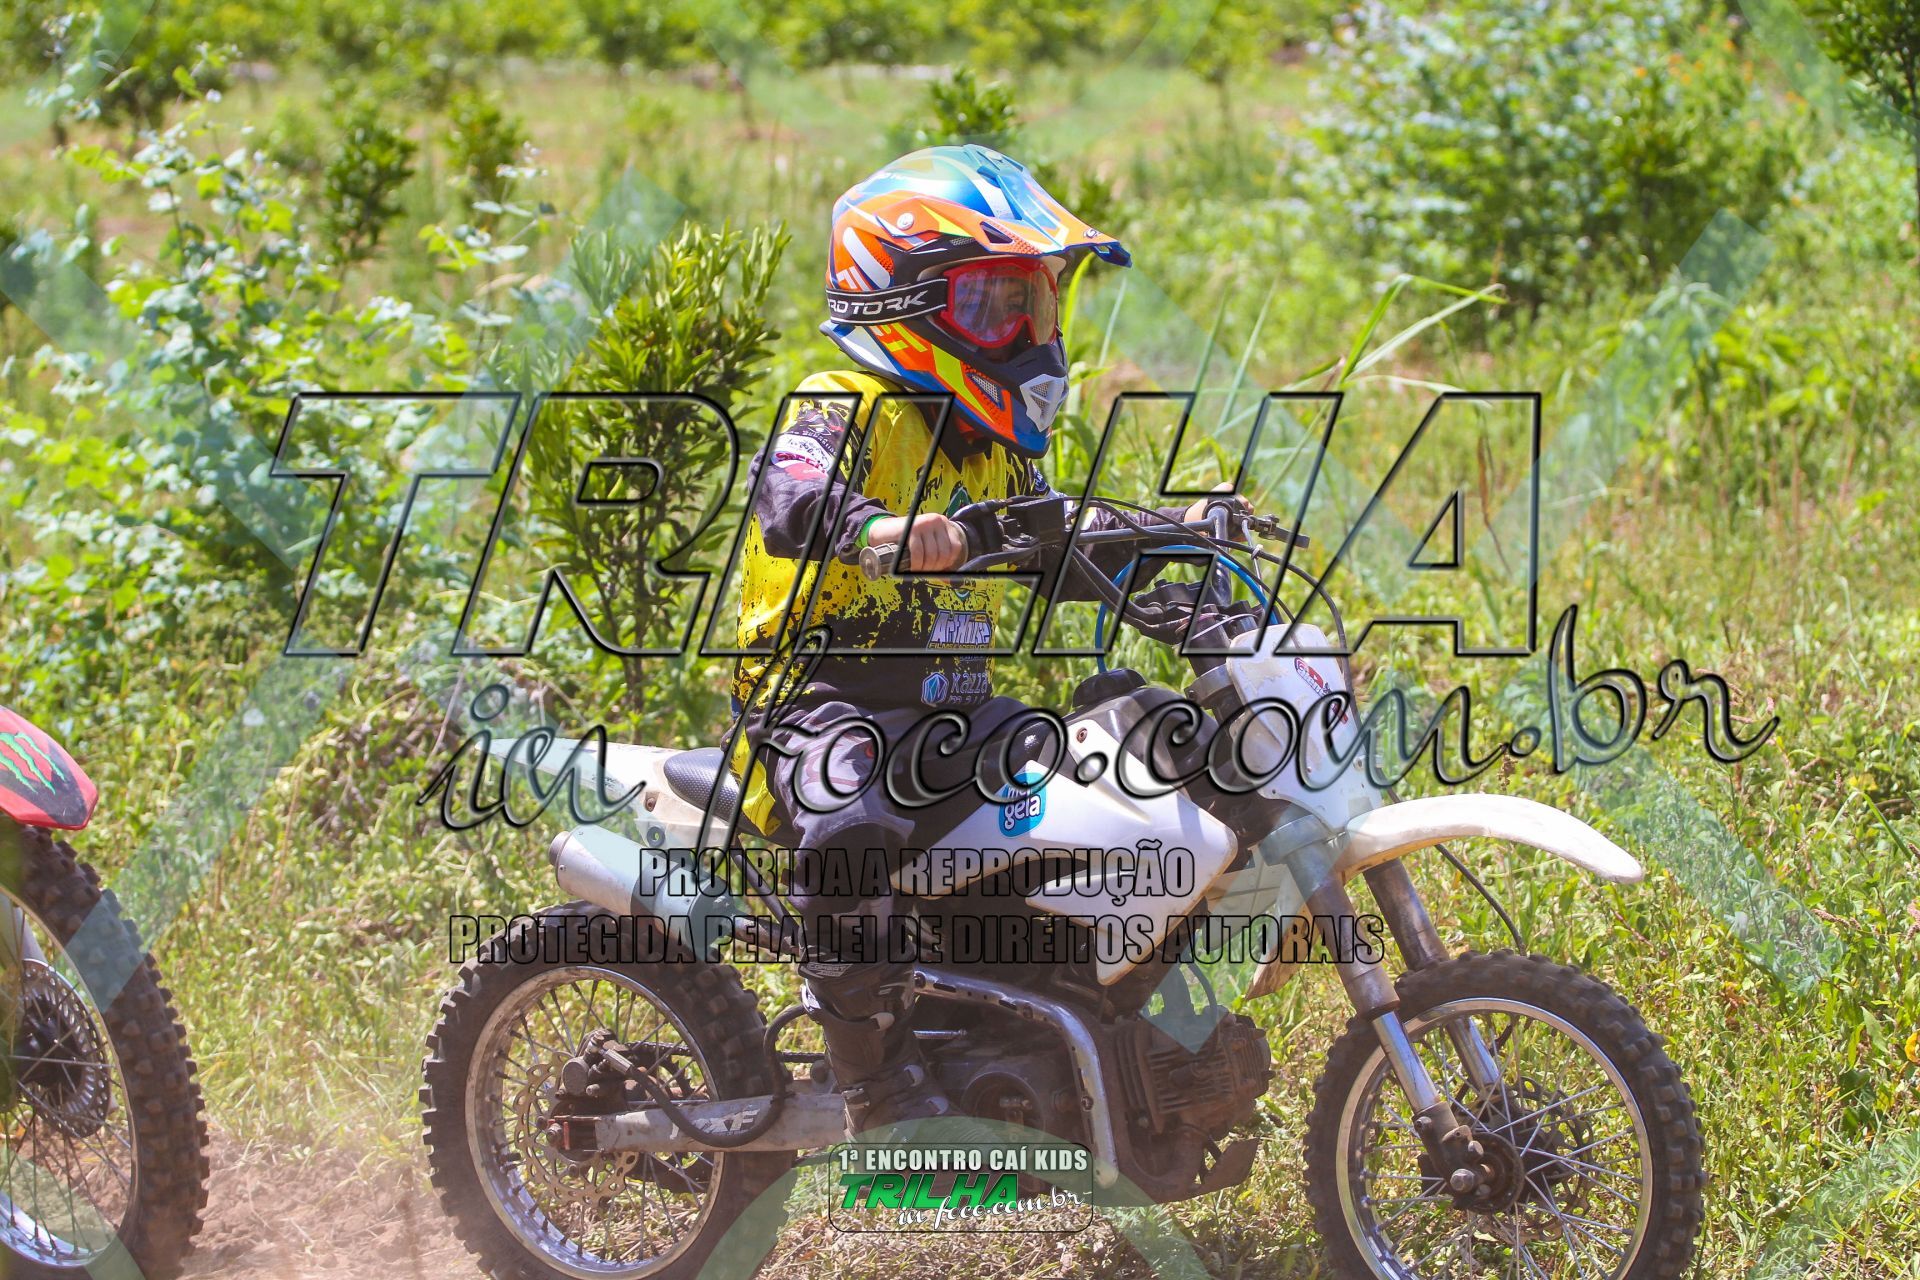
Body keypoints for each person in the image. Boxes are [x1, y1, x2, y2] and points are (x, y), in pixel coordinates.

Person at [728, 145, 1235, 1129]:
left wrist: (1182, 537)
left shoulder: (989, 447)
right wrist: (877, 529)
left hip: (954, 718)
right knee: (848, 821)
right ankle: (874, 1088)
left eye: (1034, 303)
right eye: (996, 304)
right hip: (821, 708)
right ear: (906, 305)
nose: (1028, 331)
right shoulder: (842, 404)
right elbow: (791, 489)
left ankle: (1090, 1015)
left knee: (1133, 754)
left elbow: (1057, 539)